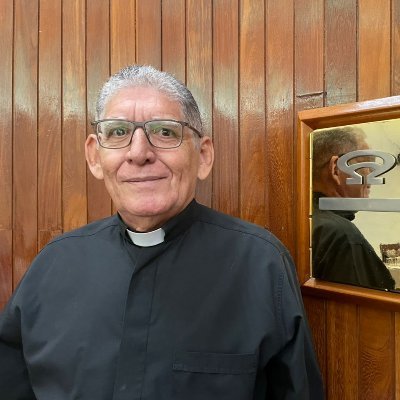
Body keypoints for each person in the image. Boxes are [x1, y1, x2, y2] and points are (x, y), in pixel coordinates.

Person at [0, 65, 323, 399]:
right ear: (95, 157)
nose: (138, 153)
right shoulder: (53, 265)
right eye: (118, 132)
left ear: (203, 155)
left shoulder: (260, 264)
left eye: (166, 132)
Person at [312, 126, 395, 290]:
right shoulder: (341, 235)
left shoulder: (304, 218)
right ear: (336, 169)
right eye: (368, 164)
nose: (371, 178)